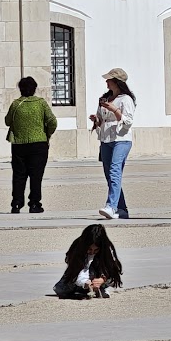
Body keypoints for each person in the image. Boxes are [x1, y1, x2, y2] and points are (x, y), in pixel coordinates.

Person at [4, 75, 57, 213]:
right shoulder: (41, 103)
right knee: (36, 175)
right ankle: (34, 204)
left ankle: (16, 204)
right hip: (39, 144)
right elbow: (52, 121)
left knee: (19, 175)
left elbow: (7, 121)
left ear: (20, 89)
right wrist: (47, 133)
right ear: (34, 88)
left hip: (19, 144)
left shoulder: (16, 104)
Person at [92, 68, 135, 220]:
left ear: (117, 82)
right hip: (106, 139)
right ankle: (122, 209)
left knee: (115, 171)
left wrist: (114, 109)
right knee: (109, 175)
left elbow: (128, 121)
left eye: (109, 79)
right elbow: (100, 119)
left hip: (121, 139)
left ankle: (111, 206)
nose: (106, 82)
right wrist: (96, 120)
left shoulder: (126, 99)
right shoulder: (104, 98)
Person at [53, 222, 124, 299]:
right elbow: (77, 269)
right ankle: (83, 290)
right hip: (79, 275)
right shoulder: (77, 248)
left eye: (96, 250)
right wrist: (85, 282)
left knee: (107, 276)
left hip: (99, 274)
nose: (92, 252)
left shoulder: (107, 250)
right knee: (61, 289)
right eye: (89, 249)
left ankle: (99, 288)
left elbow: (113, 271)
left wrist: (102, 279)